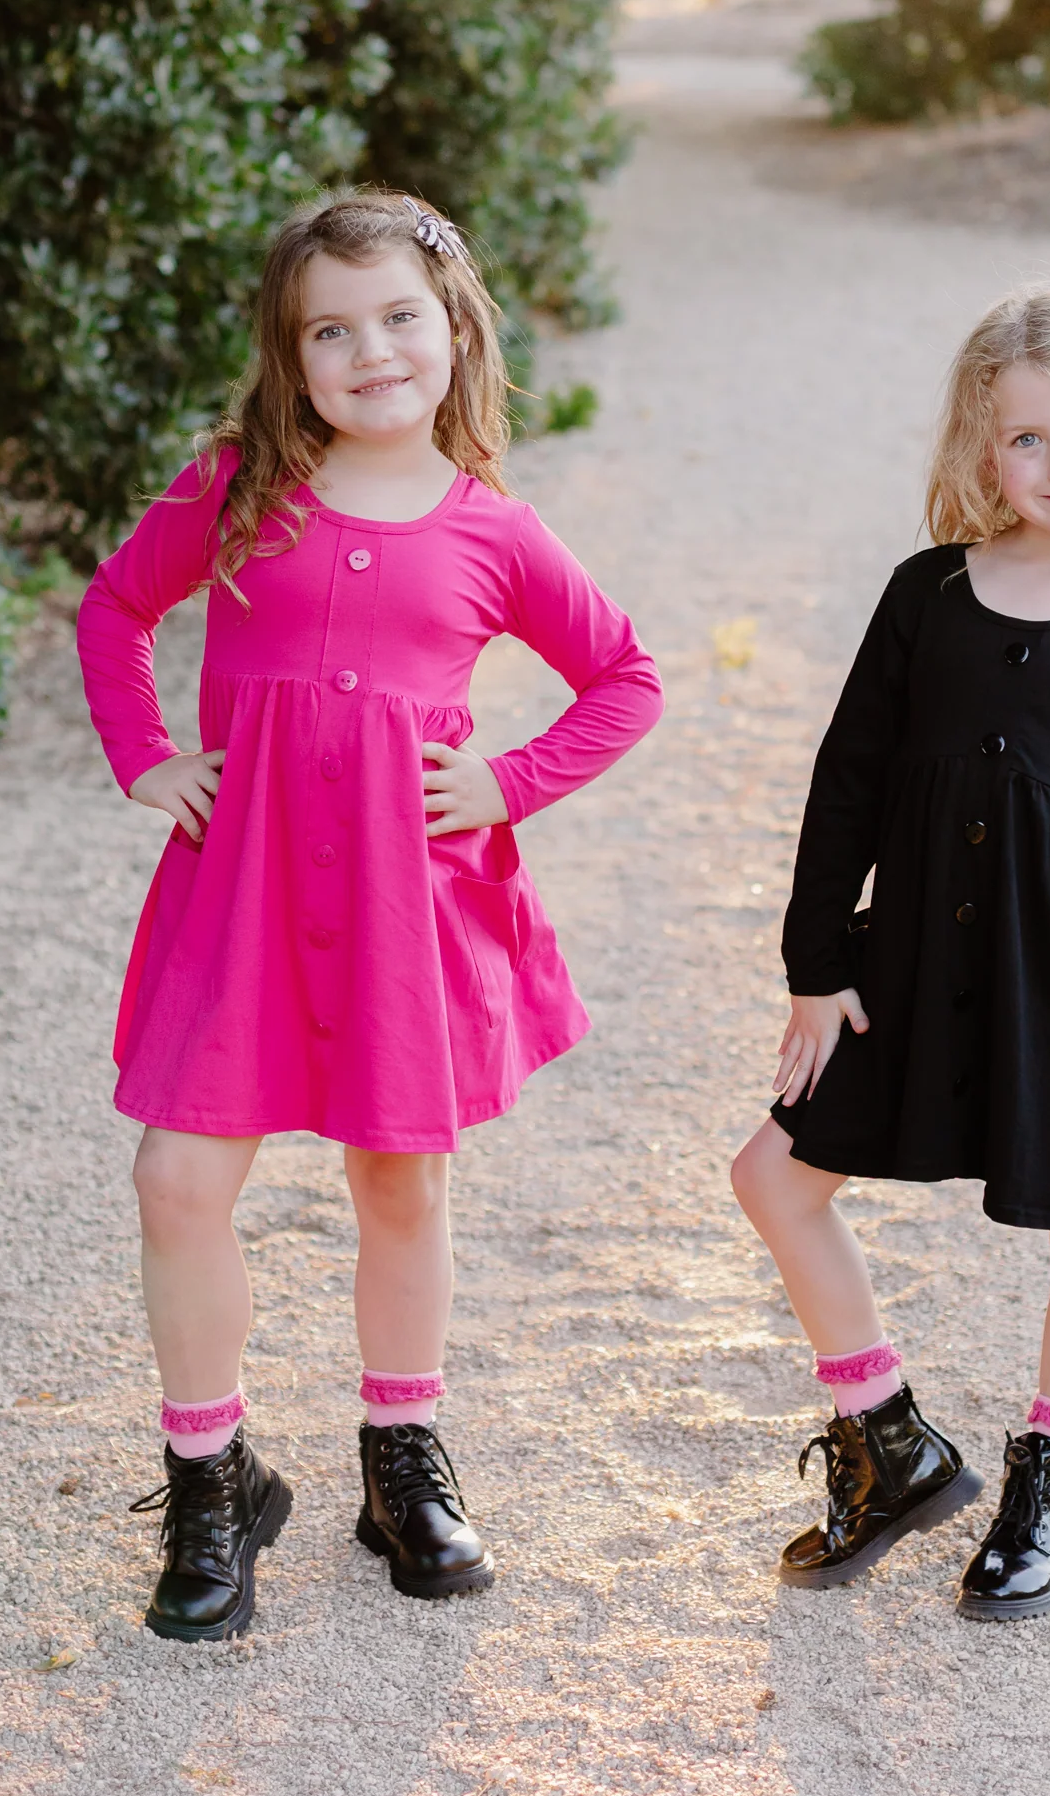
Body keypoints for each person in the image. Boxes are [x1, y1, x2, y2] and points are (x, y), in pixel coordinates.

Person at [76, 191, 662, 1639]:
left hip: (410, 915)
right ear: (291, 356)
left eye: (400, 317)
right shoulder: (236, 485)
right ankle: (211, 1477)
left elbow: (628, 677)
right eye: (329, 330)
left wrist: (510, 780)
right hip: (247, 901)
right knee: (176, 1179)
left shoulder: (493, 530)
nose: (371, 350)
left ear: (457, 331)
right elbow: (111, 611)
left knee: (400, 1185)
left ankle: (402, 1458)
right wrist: (148, 759)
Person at [731, 281, 1050, 1619]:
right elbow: (850, 775)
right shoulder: (926, 592)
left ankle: (1049, 1480)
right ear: (978, 448)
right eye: (1027, 439)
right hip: (912, 955)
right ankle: (890, 1440)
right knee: (773, 1174)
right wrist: (818, 959)